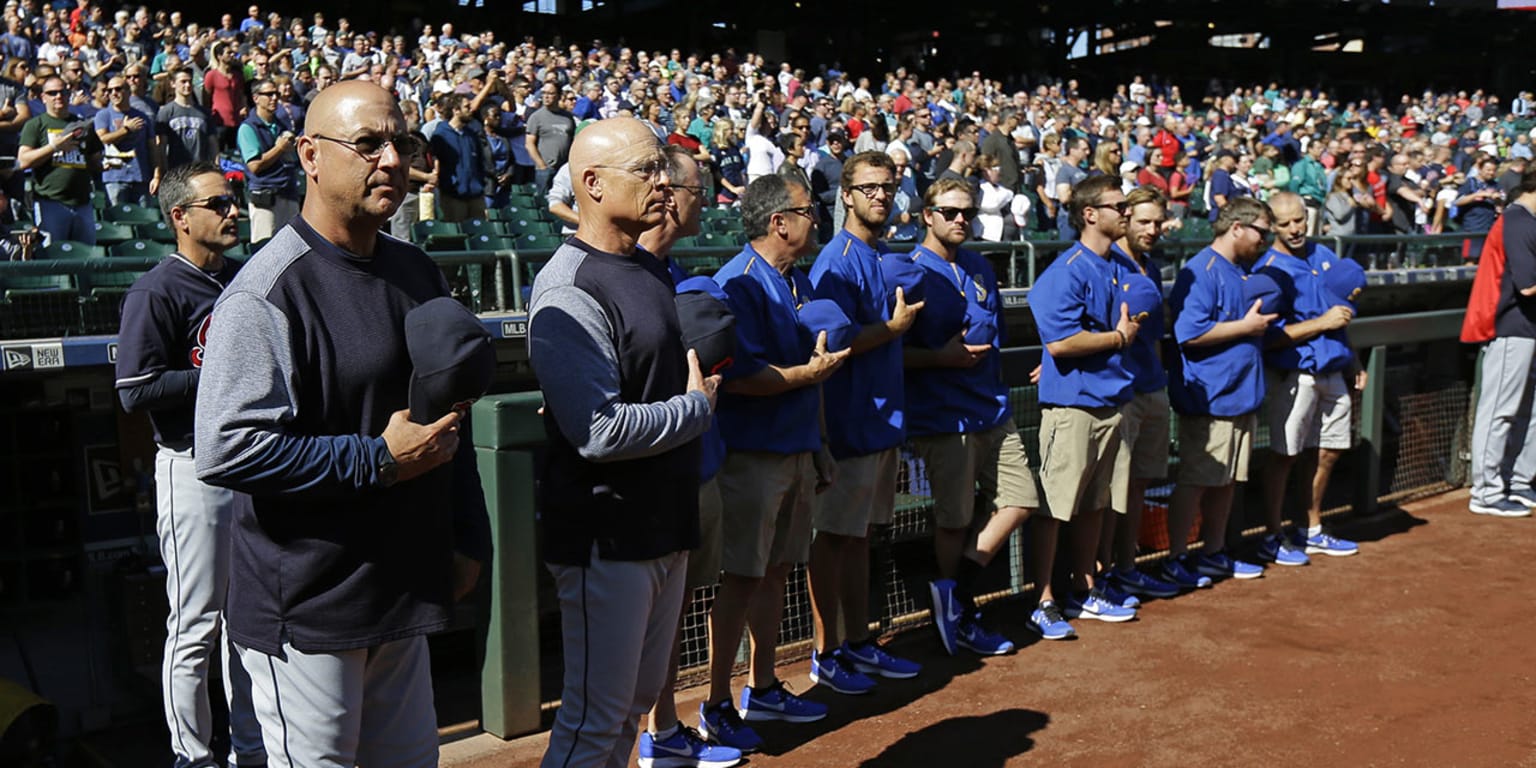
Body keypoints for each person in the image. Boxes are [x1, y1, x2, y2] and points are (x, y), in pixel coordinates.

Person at [195, 82, 490, 768]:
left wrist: (469, 532)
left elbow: (452, 412)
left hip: (402, 588)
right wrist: (376, 459)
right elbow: (226, 448)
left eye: (402, 143)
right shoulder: (269, 288)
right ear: (310, 156)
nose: (391, 160)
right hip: (310, 606)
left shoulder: (415, 268)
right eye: (367, 144)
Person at [527, 117, 720, 768]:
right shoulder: (569, 284)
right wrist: (693, 412)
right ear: (591, 183)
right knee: (593, 720)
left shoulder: (646, 269)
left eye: (663, 169)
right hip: (605, 537)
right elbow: (598, 431)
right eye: (646, 171)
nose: (664, 182)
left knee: (631, 707)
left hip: (664, 522)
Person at [115, 162, 264, 768]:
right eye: (217, 204)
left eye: (233, 201)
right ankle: (193, 755)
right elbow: (134, 388)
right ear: (180, 216)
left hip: (252, 464)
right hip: (192, 466)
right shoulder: (157, 290)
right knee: (196, 622)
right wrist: (215, 376)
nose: (232, 212)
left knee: (246, 622)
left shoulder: (244, 278)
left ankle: (251, 750)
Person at [699, 173, 848, 752]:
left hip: (795, 448)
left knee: (777, 570)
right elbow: (736, 379)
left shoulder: (798, 279)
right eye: (808, 210)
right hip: (751, 456)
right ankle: (715, 701)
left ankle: (761, 686)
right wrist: (807, 376)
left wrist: (820, 443)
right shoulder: (735, 284)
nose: (817, 218)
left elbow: (811, 379)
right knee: (741, 578)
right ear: (778, 221)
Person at [635, 147, 744, 768]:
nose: (708, 199)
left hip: (693, 461)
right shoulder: (628, 273)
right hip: (653, 471)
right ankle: (656, 733)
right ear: (669, 195)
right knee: (649, 619)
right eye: (700, 189)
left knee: (675, 611)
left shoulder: (672, 273)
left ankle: (667, 727)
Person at [906, 178, 1039, 656]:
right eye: (950, 211)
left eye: (968, 211)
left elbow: (997, 333)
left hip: (991, 407)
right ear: (928, 215)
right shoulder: (909, 270)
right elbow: (891, 353)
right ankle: (957, 614)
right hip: (943, 416)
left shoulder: (981, 266)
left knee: (1021, 499)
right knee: (954, 519)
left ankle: (954, 596)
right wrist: (940, 359)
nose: (961, 219)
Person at [806, 150, 924, 690]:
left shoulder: (879, 253)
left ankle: (857, 641)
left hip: (882, 421)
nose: (881, 195)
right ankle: (826, 652)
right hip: (850, 423)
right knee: (832, 539)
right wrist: (894, 329)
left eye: (888, 186)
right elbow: (837, 343)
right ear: (846, 195)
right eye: (870, 187)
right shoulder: (836, 258)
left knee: (858, 540)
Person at [1029, 173, 1140, 634]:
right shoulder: (1066, 269)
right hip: (1072, 405)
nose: (1127, 213)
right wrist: (1117, 337)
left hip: (1112, 399)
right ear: (1090, 214)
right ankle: (1042, 600)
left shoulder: (1119, 265)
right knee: (1054, 507)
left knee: (1095, 503)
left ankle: (1084, 585)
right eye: (1119, 206)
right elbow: (1059, 344)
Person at [1164, 196, 1276, 587]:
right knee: (1196, 480)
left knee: (1227, 480)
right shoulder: (1203, 270)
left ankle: (1213, 552)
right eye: (1262, 231)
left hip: (1240, 392)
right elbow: (1189, 333)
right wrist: (1246, 328)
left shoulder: (1239, 270)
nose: (1266, 239)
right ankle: (1176, 555)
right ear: (1237, 228)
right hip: (1209, 396)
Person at [1255, 191, 1364, 561]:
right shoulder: (1267, 268)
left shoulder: (1324, 255)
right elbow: (1266, 336)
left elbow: (1343, 313)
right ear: (1271, 224)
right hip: (1295, 372)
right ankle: (1272, 533)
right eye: (1285, 223)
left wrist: (1355, 360)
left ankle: (1311, 527)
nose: (1295, 228)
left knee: (1330, 451)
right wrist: (1322, 323)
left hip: (1334, 366)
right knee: (1284, 455)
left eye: (1299, 220)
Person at [1099, 186, 1185, 602]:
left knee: (1137, 484)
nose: (1152, 229)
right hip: (1116, 392)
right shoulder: (1105, 262)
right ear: (1125, 218)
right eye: (1143, 221)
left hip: (1151, 386)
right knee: (1110, 487)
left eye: (1157, 222)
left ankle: (1127, 568)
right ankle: (1100, 574)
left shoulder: (1150, 265)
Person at [1468, 168, 1536, 518]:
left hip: (1528, 327)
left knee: (1529, 411)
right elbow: (1527, 285)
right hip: (1510, 326)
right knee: (1500, 411)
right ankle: (1486, 491)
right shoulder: (1518, 220)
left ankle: (1517, 480)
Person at [18, 75, 102, 245]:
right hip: (51, 202)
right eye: (52, 93)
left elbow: (94, 160)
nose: (58, 96)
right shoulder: (36, 124)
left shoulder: (82, 124)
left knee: (86, 258)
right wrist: (54, 147)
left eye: (62, 92)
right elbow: (23, 161)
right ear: (43, 97)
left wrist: (106, 165)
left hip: (82, 202)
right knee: (52, 259)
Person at [238, 78, 300, 242]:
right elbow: (254, 165)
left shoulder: (281, 124)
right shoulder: (248, 128)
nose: (274, 98)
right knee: (264, 248)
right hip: (266, 199)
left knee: (292, 246)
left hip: (288, 192)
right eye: (269, 94)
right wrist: (279, 148)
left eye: (276, 94)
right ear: (256, 98)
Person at [94, 73, 161, 206]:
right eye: (110, 90)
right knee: (115, 220)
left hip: (141, 177)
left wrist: (157, 176)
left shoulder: (142, 117)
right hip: (114, 178)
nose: (113, 93)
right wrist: (126, 129)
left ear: (128, 91)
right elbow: (103, 139)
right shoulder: (103, 115)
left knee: (145, 220)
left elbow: (153, 148)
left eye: (118, 89)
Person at [428, 93, 486, 222]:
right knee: (457, 233)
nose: (471, 110)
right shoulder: (441, 135)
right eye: (466, 107)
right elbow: (436, 162)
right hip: (453, 196)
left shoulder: (472, 135)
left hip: (475, 195)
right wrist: (450, 184)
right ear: (456, 110)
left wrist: (480, 183)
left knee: (479, 231)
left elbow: (480, 162)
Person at [156, 68, 218, 167]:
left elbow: (213, 143)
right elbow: (162, 146)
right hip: (176, 169)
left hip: (200, 168)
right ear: (173, 84)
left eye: (189, 81)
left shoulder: (204, 113)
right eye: (183, 82)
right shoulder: (166, 112)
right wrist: (162, 170)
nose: (188, 85)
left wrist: (216, 165)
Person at [525, 82, 576, 195]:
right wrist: (542, 166)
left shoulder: (567, 117)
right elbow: (529, 144)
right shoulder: (536, 117)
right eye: (544, 93)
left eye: (550, 93)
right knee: (545, 202)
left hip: (564, 168)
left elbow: (572, 140)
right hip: (546, 169)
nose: (546, 97)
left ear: (558, 96)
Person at [1054, 136, 1089, 240]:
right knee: (1066, 249)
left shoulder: (1083, 171)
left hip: (1082, 216)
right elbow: (1064, 198)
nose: (1087, 152)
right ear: (1072, 150)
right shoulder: (1064, 171)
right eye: (1084, 149)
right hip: (1069, 217)